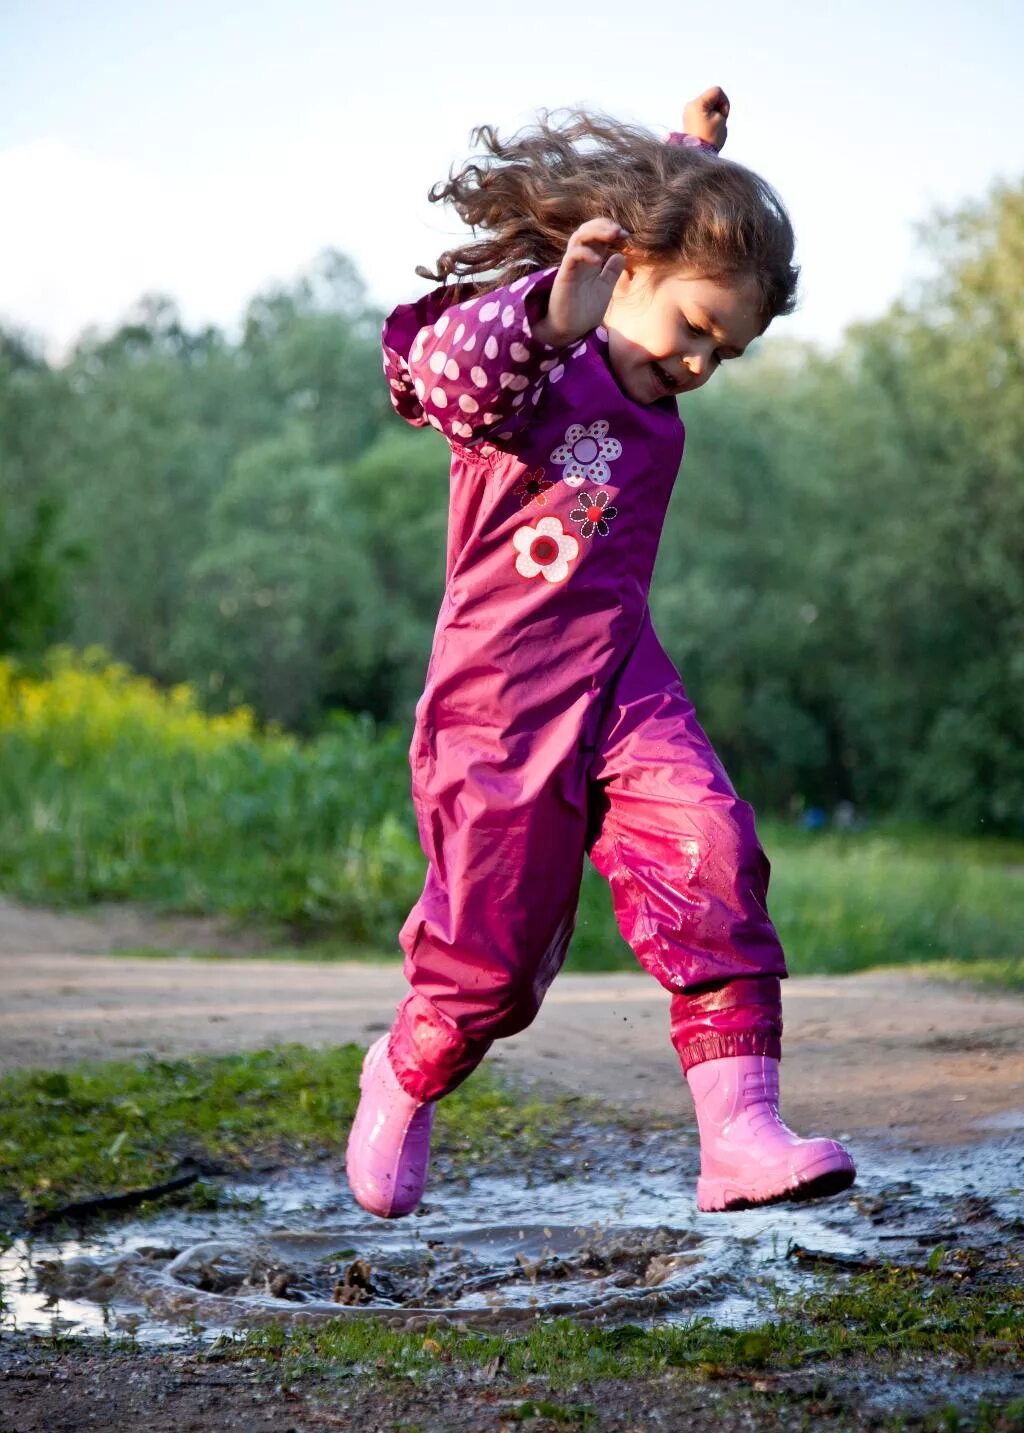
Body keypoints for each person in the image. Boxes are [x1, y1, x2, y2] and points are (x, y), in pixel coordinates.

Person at [346, 87, 856, 1217]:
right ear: (622, 274)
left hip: (622, 671)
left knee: (709, 846)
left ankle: (740, 1133)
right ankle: (406, 1070)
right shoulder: (522, 367)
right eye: (695, 333)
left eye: (728, 351)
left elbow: (666, 230)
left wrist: (691, 160)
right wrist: (547, 319)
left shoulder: (650, 299)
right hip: (497, 702)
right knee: (491, 963)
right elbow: (448, 380)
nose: (700, 368)